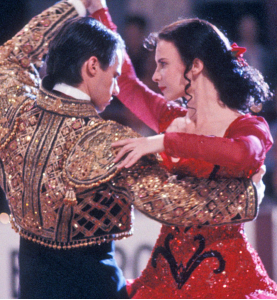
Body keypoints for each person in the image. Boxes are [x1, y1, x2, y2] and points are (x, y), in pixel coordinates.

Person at [0, 0, 258, 299]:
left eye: (163, 64)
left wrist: (76, 7)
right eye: (112, 77)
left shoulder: (14, 111)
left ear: (196, 66)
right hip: (98, 289)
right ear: (92, 66)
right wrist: (249, 195)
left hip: (34, 287)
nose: (115, 89)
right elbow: (174, 202)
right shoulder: (108, 141)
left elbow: (13, 56)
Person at [90, 2, 277, 299]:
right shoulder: (171, 118)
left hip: (228, 286)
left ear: (196, 65)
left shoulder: (248, 127)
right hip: (161, 283)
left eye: (163, 64)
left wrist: (164, 141)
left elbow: (243, 154)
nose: (156, 75)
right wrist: (99, 10)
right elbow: (126, 82)